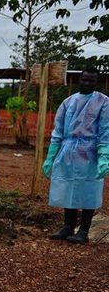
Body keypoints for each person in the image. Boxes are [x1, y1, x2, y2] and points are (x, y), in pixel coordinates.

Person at [43, 67, 109, 244]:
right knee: (67, 186)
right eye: (84, 80)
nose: (87, 83)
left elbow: (105, 131)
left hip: (90, 152)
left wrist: (104, 157)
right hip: (68, 151)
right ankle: (68, 226)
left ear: (97, 83)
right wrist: (50, 157)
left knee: (89, 189)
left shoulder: (104, 102)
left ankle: (84, 230)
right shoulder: (68, 102)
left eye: (91, 81)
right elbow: (58, 131)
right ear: (79, 80)